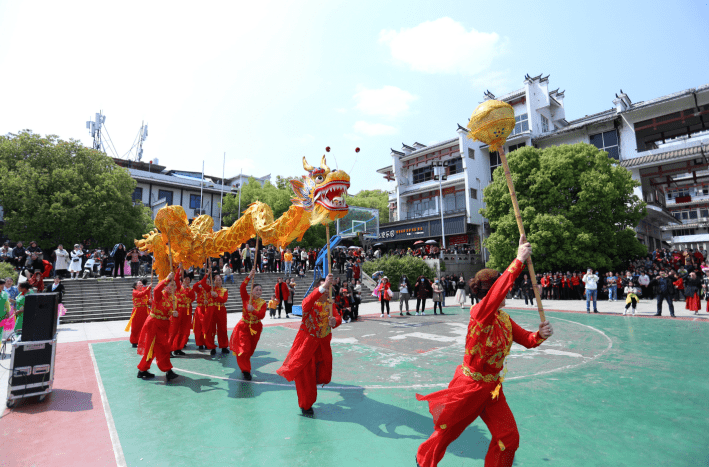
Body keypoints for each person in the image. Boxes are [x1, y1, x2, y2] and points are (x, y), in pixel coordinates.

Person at [415, 235, 553, 467]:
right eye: (502, 289)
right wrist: (518, 260)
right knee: (446, 433)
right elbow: (498, 292)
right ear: (491, 293)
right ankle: (423, 463)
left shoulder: (504, 319)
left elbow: (528, 340)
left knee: (508, 437)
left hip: (492, 389)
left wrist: (540, 334)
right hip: (468, 389)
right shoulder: (480, 313)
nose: (507, 293)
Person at [277, 274, 342, 416]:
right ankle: (306, 404)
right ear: (316, 289)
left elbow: (337, 317)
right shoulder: (310, 304)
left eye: (329, 288)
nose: (326, 291)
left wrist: (334, 322)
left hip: (322, 346)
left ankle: (308, 400)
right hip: (306, 345)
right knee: (305, 376)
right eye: (323, 288)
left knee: (321, 373)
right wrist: (323, 286)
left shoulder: (330, 305)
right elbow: (305, 303)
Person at [136, 272, 180, 381]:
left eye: (174, 286)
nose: (172, 287)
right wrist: (167, 278)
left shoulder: (174, 299)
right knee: (163, 347)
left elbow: (171, 312)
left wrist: (175, 314)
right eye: (171, 285)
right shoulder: (160, 294)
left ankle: (142, 370)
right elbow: (155, 290)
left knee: (152, 349)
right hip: (154, 324)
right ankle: (168, 371)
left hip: (163, 325)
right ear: (166, 285)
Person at [229, 269, 267, 380]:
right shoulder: (246, 298)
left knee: (250, 350)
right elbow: (242, 287)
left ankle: (245, 366)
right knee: (243, 350)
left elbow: (261, 315)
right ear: (252, 291)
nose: (259, 291)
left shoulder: (263, 303)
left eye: (260, 290)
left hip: (256, 328)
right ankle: (246, 370)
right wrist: (249, 276)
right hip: (244, 327)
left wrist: (253, 310)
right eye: (256, 289)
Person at [203, 274, 229, 355]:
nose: (218, 281)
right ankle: (212, 347)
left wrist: (216, 296)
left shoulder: (224, 290)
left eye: (220, 280)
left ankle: (224, 346)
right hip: (212, 310)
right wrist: (207, 274)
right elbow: (203, 284)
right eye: (216, 280)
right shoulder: (210, 289)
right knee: (211, 329)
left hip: (221, 310)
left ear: (222, 281)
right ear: (213, 281)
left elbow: (224, 300)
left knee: (222, 329)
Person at [169, 272, 195, 355]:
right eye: (185, 279)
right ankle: (169, 349)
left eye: (188, 279)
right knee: (175, 330)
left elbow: (193, 297)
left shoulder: (190, 289)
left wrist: (187, 289)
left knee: (184, 330)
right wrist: (179, 269)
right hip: (179, 310)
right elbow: (176, 279)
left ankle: (178, 348)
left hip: (187, 311)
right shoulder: (179, 287)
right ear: (182, 280)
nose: (187, 281)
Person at [192, 274, 210, 350]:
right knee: (198, 327)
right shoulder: (199, 289)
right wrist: (201, 281)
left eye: (208, 282)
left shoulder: (210, 290)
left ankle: (207, 342)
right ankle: (200, 343)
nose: (207, 283)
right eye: (206, 282)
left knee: (207, 327)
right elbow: (194, 287)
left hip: (208, 309)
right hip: (199, 309)